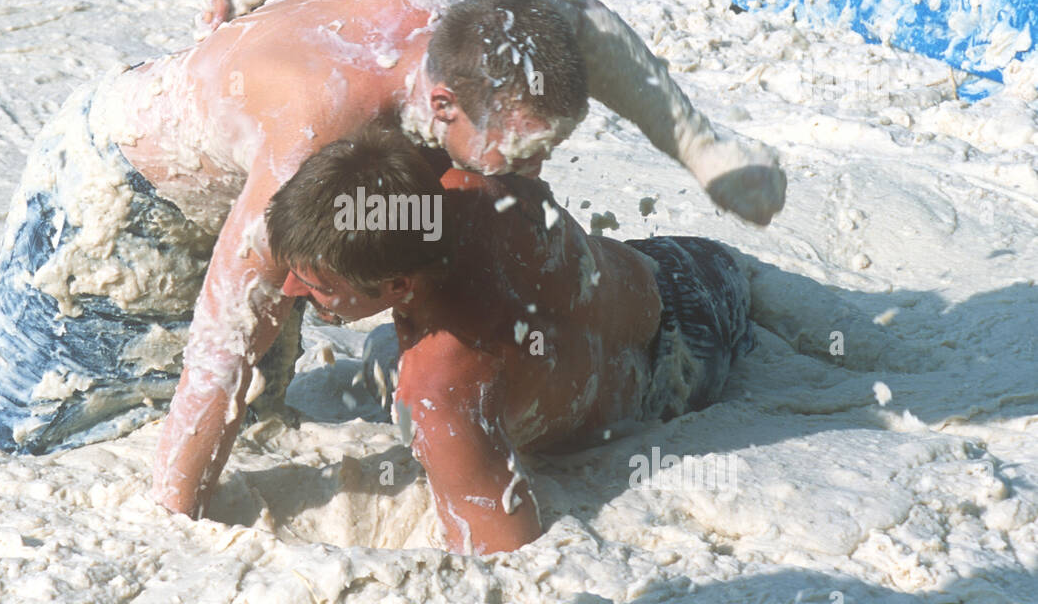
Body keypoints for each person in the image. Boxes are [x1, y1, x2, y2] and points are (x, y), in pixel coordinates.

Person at [0, 0, 782, 514]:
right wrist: (173, 513)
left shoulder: (488, 24)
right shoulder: (312, 136)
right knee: (12, 428)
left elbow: (584, 21)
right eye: (523, 153)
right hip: (126, 188)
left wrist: (709, 152)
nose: (536, 170)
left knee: (261, 409)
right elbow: (222, 337)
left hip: (288, 121)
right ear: (440, 107)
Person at [265, 128, 755, 554]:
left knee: (392, 370)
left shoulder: (441, 390)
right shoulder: (466, 179)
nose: (289, 288)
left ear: (398, 287)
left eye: (319, 286)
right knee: (384, 352)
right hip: (678, 265)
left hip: (680, 371)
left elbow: (510, 555)